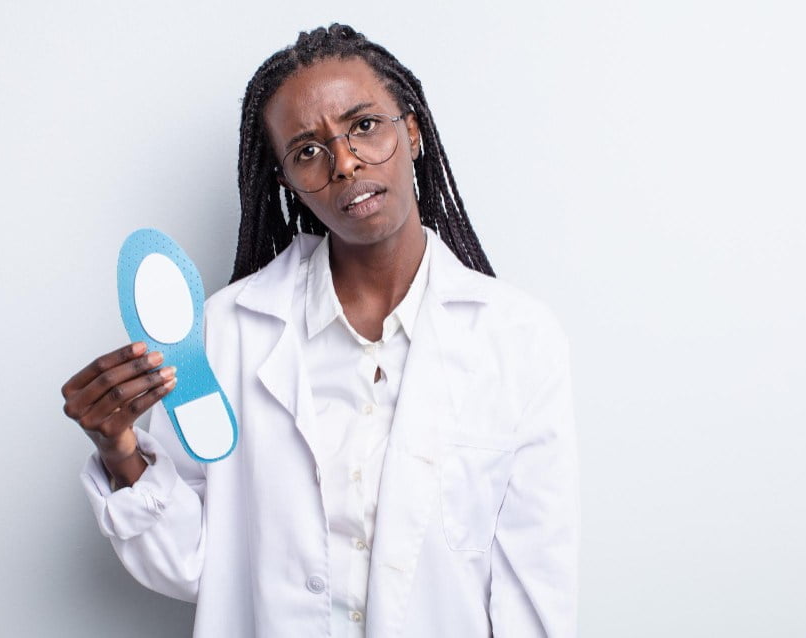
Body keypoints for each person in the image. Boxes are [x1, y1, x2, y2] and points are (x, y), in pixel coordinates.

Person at [61, 23, 580, 637]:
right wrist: (120, 452)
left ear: (412, 131)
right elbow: (194, 563)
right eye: (307, 151)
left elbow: (536, 585)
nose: (345, 163)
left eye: (365, 125)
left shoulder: (518, 339)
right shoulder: (228, 335)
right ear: (285, 180)